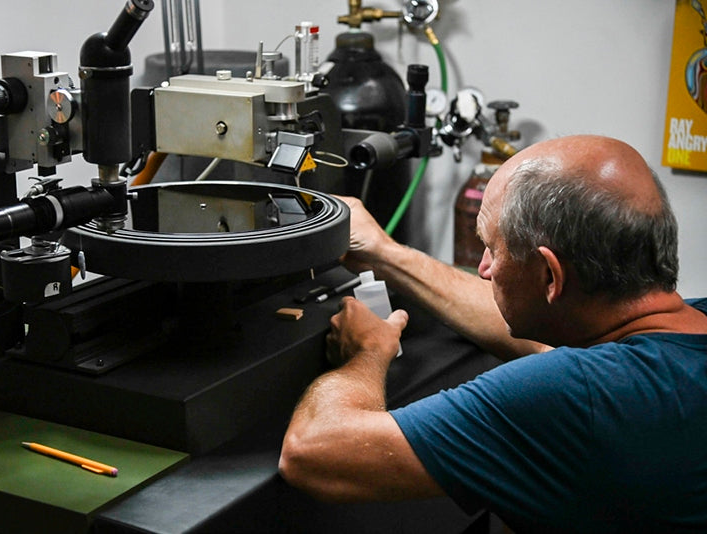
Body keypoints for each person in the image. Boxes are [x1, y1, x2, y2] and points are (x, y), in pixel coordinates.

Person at [278, 135, 707, 532]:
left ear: (549, 277)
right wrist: (385, 254)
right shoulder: (671, 341)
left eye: (491, 248)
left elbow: (312, 452)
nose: (483, 269)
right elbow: (537, 333)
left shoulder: (576, 396)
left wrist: (367, 351)